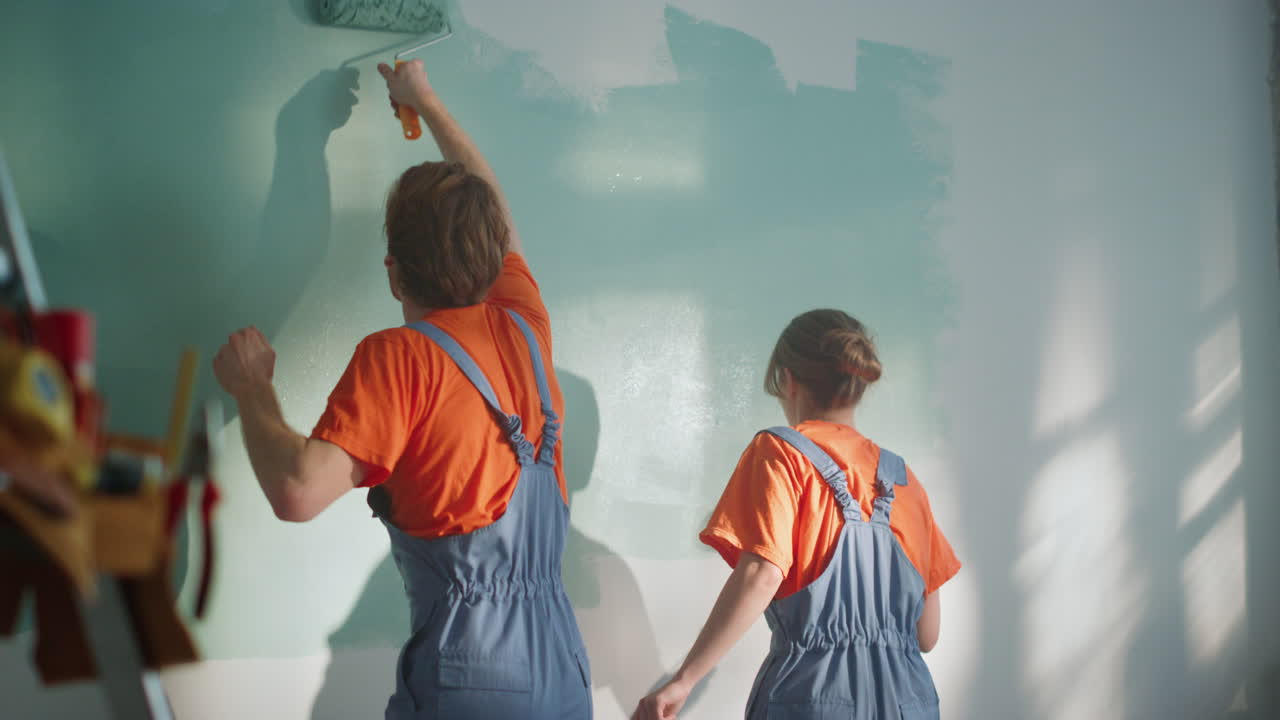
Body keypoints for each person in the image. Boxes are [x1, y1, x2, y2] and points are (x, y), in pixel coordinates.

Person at [213, 59, 592, 720]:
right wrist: (426, 99)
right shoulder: (525, 326)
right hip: (561, 670)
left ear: (394, 274)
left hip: (470, 680)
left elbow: (298, 492)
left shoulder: (401, 359)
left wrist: (252, 390)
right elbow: (494, 210)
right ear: (492, 251)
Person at [633, 309, 961, 720]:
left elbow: (761, 574)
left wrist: (684, 680)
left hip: (814, 698)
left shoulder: (782, 454)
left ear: (788, 380)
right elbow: (926, 635)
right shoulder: (904, 480)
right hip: (908, 701)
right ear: (858, 383)